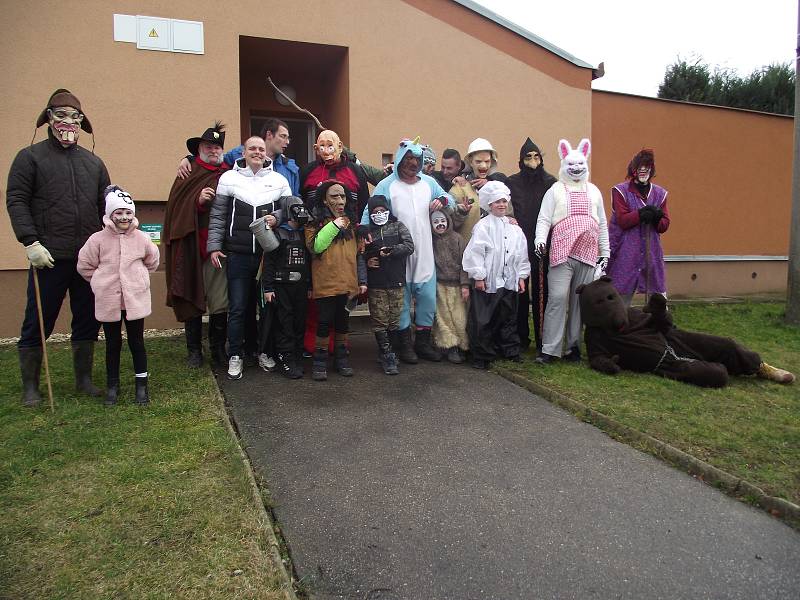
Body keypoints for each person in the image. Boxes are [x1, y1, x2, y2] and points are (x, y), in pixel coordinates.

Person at [6, 89, 110, 407]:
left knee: (87, 319)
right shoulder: (30, 157)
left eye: (74, 117)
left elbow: (107, 204)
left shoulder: (94, 163)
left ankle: (84, 380)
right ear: (49, 119)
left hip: (87, 258)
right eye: (61, 115)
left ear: (82, 123)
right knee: (38, 320)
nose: (68, 122)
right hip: (48, 256)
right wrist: (29, 241)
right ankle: (31, 388)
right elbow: (16, 200)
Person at [207, 136, 292, 380]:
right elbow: (218, 216)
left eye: (261, 149)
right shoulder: (228, 179)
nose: (256, 152)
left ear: (267, 154)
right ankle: (235, 354)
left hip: (267, 256)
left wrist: (277, 217)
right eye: (252, 148)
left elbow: (290, 209)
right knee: (237, 307)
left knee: (266, 309)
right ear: (243, 152)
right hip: (238, 255)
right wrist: (214, 247)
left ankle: (263, 352)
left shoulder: (279, 180)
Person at [362, 137, 453, 363]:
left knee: (427, 298)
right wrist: (364, 230)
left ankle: (422, 343)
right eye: (409, 158)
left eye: (417, 159)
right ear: (401, 159)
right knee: (401, 299)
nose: (413, 163)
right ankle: (404, 346)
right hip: (397, 253)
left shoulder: (429, 183)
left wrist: (442, 199)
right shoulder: (387, 184)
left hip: (424, 251)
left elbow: (449, 198)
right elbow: (369, 209)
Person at [77, 186, 160, 405]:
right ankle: (112, 386)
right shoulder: (97, 240)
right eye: (118, 213)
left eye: (128, 212)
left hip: (135, 300)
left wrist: (138, 278)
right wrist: (98, 281)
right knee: (113, 343)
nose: (123, 217)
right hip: (109, 301)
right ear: (110, 215)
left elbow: (152, 261)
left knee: (136, 342)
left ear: (133, 214)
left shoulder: (142, 238)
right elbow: (85, 265)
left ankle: (141, 385)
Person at [534, 138, 610, 364]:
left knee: (579, 302)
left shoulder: (594, 191)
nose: (576, 169)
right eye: (571, 165)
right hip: (561, 253)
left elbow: (603, 223)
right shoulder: (555, 190)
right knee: (557, 298)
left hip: (587, 253)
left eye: (580, 165)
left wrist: (604, 252)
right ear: (564, 163)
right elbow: (544, 219)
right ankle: (550, 348)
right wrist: (540, 240)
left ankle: (573, 347)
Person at [163, 122, 230, 368]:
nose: (214, 151)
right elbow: (175, 209)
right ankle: (194, 350)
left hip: (219, 248)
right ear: (199, 149)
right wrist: (197, 200)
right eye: (209, 146)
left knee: (219, 300)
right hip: (192, 246)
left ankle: (217, 350)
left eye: (217, 147)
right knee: (192, 297)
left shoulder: (230, 172)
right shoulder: (188, 172)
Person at [462, 182, 530, 369]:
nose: (501, 205)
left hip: (508, 281)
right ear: (489, 204)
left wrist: (521, 276)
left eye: (503, 201)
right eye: (497, 202)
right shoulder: (483, 226)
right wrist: (478, 276)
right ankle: (482, 354)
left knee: (508, 317)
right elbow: (476, 252)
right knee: (484, 319)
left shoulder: (515, 229)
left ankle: (509, 349)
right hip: (489, 282)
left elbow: (521, 253)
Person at [305, 180, 367, 381]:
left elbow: (359, 255)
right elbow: (316, 247)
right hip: (325, 285)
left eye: (342, 196)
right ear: (324, 200)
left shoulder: (352, 225)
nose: (340, 200)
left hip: (348, 285)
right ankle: (320, 363)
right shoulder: (313, 224)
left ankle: (342, 360)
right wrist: (333, 225)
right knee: (324, 323)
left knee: (343, 323)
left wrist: (361, 281)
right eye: (334, 196)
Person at [507, 137, 557, 353]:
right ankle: (520, 338)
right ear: (521, 160)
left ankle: (542, 339)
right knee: (520, 291)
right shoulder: (512, 182)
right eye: (528, 157)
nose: (533, 160)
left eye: (536, 156)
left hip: (543, 245)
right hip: (519, 244)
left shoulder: (551, 183)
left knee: (542, 293)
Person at [606, 149, 670, 307]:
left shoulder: (659, 194)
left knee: (659, 300)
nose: (643, 171)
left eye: (647, 167)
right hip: (625, 252)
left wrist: (656, 217)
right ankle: (617, 330)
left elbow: (664, 225)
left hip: (651, 253)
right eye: (639, 167)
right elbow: (623, 220)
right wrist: (640, 214)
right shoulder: (620, 191)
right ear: (633, 169)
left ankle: (659, 329)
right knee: (620, 299)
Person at [362, 195, 415, 375]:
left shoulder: (398, 226)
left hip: (397, 281)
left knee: (394, 320)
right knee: (379, 320)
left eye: (382, 211)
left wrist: (392, 251)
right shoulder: (366, 231)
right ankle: (387, 355)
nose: (379, 214)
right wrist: (369, 260)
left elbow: (409, 246)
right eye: (375, 212)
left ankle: (390, 351)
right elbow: (360, 255)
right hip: (376, 283)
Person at [178, 118, 299, 195]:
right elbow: (214, 159)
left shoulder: (290, 167)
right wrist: (190, 159)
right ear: (269, 135)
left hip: (278, 230)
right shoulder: (238, 154)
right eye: (283, 136)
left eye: (288, 138)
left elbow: (293, 199)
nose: (287, 142)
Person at [262, 196, 311, 379]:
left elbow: (309, 263)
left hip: (301, 286)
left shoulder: (305, 234)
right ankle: (286, 357)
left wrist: (310, 285)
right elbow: (269, 263)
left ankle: (297, 356)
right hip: (282, 286)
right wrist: (268, 288)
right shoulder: (278, 234)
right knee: (285, 322)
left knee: (299, 322)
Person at [450, 138, 511, 243]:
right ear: (470, 162)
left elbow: (509, 215)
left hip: (496, 250)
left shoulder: (498, 187)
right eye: (478, 161)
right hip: (469, 251)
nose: (483, 166)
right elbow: (449, 223)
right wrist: (461, 213)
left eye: (487, 161)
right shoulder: (459, 188)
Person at [430, 209, 470, 364]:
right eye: (435, 222)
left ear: (448, 221)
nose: (439, 224)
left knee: (460, 317)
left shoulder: (457, 239)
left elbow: (464, 264)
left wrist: (465, 284)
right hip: (440, 285)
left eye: (442, 221)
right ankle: (450, 346)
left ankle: (463, 345)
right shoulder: (431, 242)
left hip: (458, 285)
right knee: (443, 317)